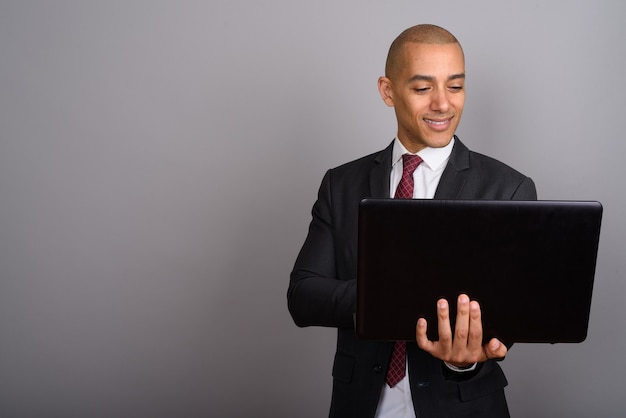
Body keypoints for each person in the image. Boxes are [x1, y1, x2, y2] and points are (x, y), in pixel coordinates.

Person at [287, 24, 536, 418]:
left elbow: (514, 312)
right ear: (388, 91)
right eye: (423, 89)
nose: (442, 104)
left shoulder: (510, 189)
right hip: (359, 405)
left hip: (459, 406)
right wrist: (386, 299)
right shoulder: (341, 184)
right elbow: (303, 295)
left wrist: (464, 358)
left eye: (455, 86)